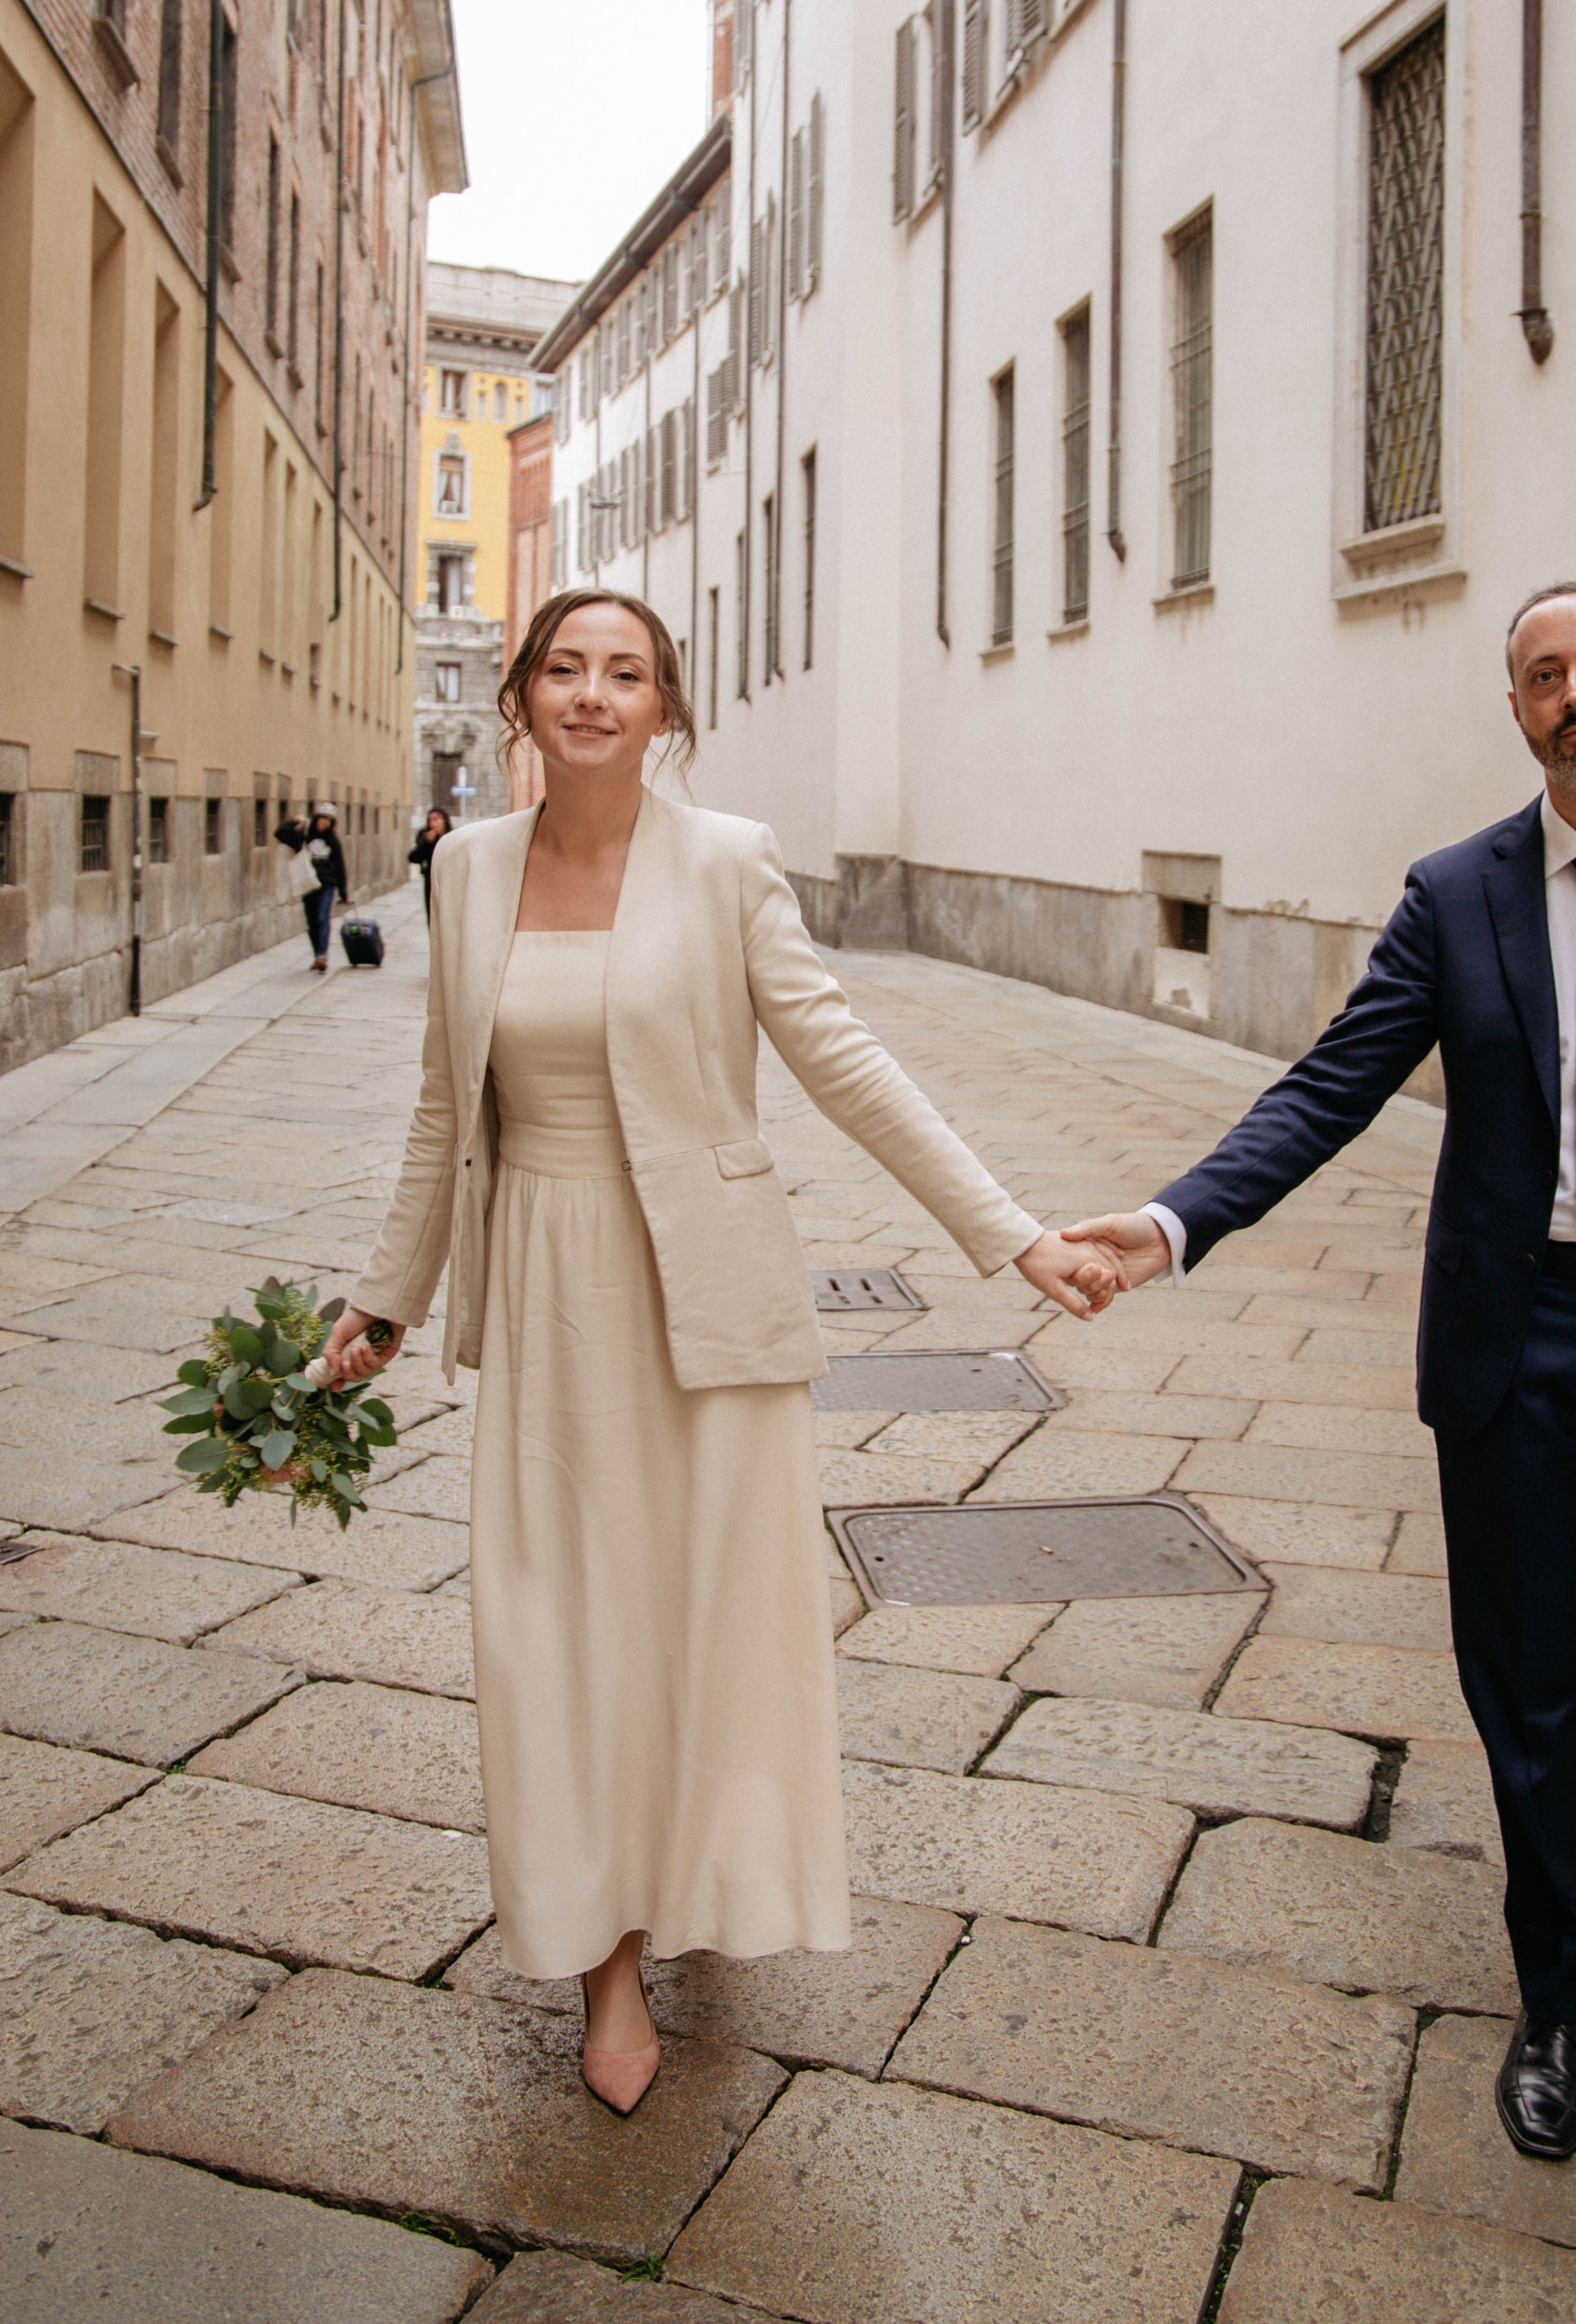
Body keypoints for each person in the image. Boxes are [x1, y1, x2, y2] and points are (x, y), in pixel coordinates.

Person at [1066, 583, 1576, 2165]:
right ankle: (1554, 1989)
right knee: (1519, 1664)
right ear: (1516, 710)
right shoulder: (1455, 894)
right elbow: (1329, 1087)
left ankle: (1535, 1797)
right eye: (1544, 675)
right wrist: (1171, 1222)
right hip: (1509, 1330)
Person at [318, 587, 1118, 2117]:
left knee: (701, 1619)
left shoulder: (728, 864)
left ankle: (695, 1880)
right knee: (551, 1623)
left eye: (626, 674)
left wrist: (1012, 1234)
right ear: (522, 697)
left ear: (667, 708)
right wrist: (389, 1293)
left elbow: (847, 1065)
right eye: (565, 669)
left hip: (708, 1298)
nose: (595, 696)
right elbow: (445, 1102)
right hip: (545, 1285)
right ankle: (603, 1950)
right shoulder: (469, 872)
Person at [275, 802, 348, 972]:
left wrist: (343, 893)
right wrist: (295, 821)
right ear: (317, 819)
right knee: (312, 921)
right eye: (323, 819)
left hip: (326, 884)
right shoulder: (304, 835)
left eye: (329, 820)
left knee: (323, 917)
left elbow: (339, 865)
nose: (325, 823)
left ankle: (323, 955)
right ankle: (317, 954)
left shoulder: (333, 841)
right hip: (307, 884)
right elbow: (280, 833)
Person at [408, 806, 450, 920]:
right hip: (431, 881)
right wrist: (426, 843)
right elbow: (413, 857)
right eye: (430, 820)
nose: (433, 824)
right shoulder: (425, 835)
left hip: (450, 881)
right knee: (433, 916)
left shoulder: (452, 835)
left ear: (444, 820)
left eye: (436, 820)